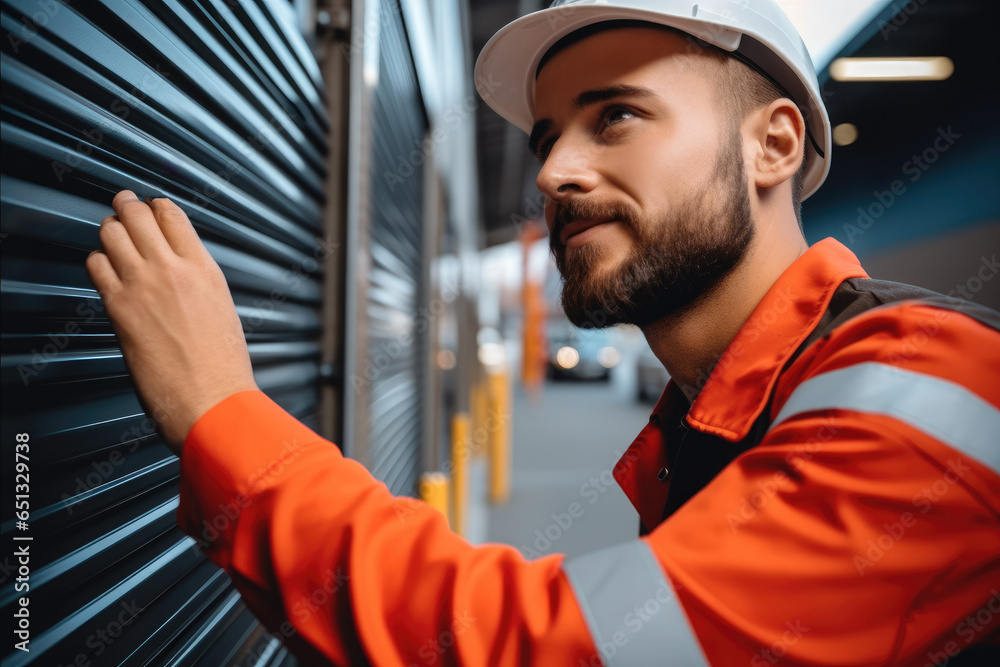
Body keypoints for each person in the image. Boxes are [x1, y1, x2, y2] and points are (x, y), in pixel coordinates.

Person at [86, 0, 1000, 665]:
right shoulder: (712, 426)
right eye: (549, 138)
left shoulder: (929, 383)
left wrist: (222, 415)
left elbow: (547, 647)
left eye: (617, 117)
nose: (556, 171)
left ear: (773, 146)